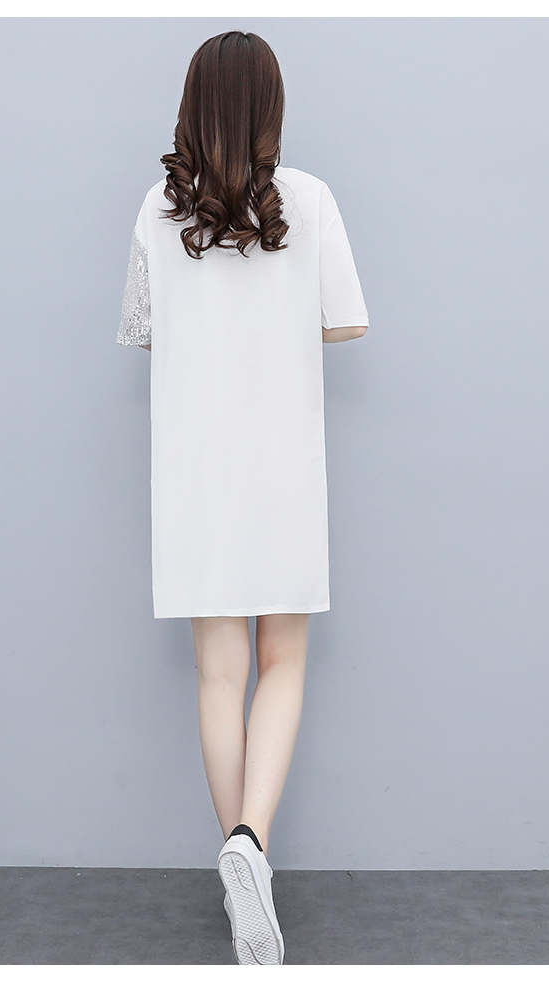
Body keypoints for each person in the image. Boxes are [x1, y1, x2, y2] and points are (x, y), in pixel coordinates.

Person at [117, 30, 369, 965]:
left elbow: (144, 328)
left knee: (218, 673)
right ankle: (252, 843)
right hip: (282, 463)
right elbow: (344, 323)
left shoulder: (158, 209)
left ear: (193, 104)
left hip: (193, 468)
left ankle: (238, 858)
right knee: (284, 661)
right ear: (271, 106)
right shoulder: (308, 199)